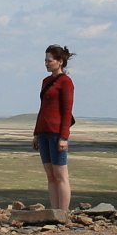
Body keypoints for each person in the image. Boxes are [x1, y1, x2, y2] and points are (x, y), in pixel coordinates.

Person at [33, 44, 75, 211]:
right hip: (43, 131)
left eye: (49, 60)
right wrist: (36, 133)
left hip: (57, 133)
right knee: (50, 175)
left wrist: (64, 137)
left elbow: (67, 111)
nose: (46, 63)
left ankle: (62, 213)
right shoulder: (45, 81)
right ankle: (54, 212)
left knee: (60, 175)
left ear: (60, 61)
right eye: (45, 60)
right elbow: (42, 108)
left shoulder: (66, 82)